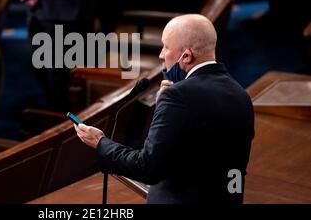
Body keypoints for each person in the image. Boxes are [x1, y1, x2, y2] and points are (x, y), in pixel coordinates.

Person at [75, 14, 255, 204]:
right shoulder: (241, 95)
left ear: (186, 56)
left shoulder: (177, 96)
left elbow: (147, 168)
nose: (161, 54)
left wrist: (100, 143)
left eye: (166, 47)